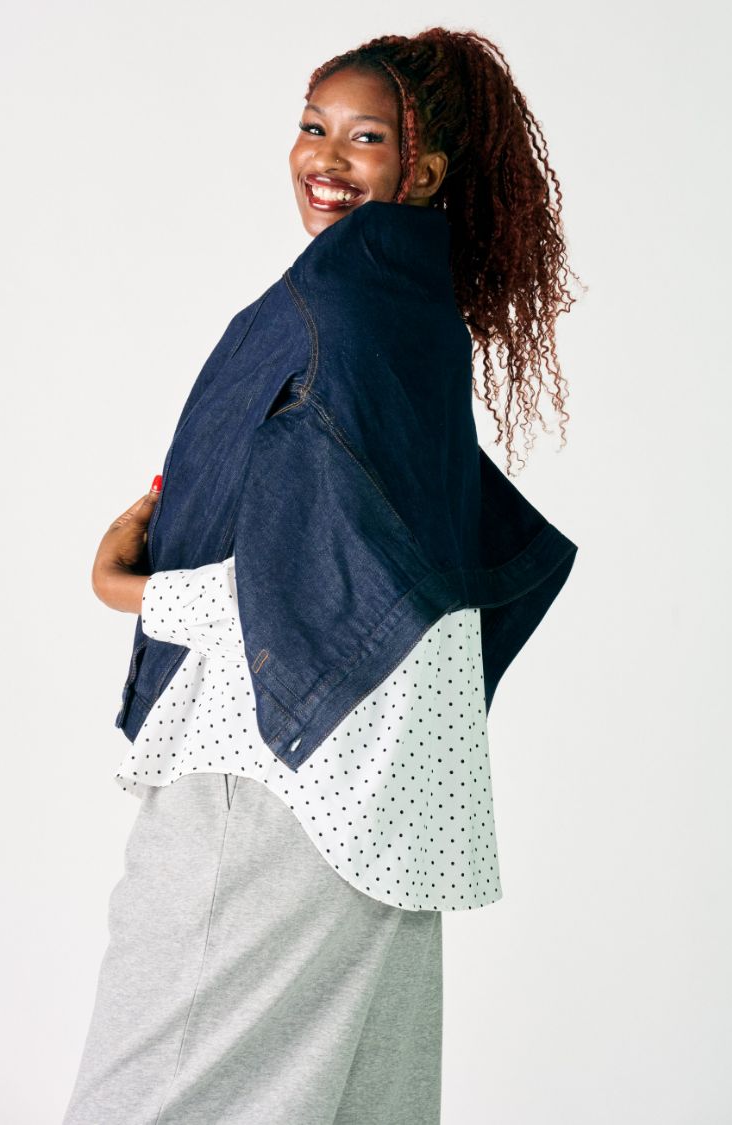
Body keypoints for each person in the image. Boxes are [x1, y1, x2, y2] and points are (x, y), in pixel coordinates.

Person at [62, 27, 581, 1125]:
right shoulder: (419, 326)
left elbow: (307, 586)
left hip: (273, 774)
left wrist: (124, 584)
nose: (326, 158)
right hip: (394, 800)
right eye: (312, 127)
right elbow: (388, 558)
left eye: (366, 137)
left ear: (423, 172)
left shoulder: (331, 312)